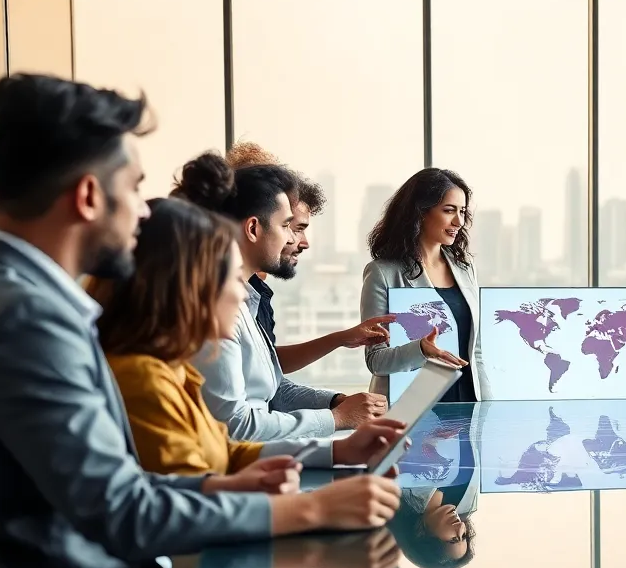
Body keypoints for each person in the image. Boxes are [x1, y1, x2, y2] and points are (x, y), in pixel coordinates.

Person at [0, 74, 400, 568]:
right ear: (88, 196)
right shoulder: (29, 319)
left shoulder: (3, 292)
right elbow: (123, 512)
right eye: (133, 188)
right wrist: (310, 509)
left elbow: (119, 486)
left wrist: (224, 485)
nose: (143, 210)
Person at [87, 197, 412, 483]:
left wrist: (339, 450)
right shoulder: (144, 379)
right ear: (189, 288)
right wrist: (314, 507)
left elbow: (227, 451)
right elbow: (193, 495)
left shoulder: (179, 373)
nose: (243, 294)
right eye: (232, 278)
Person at [174, 153, 387, 441]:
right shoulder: (216, 308)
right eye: (288, 226)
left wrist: (338, 408)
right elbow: (234, 427)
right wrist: (337, 418)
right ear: (253, 228)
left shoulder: (248, 301)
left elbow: (272, 389)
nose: (293, 240)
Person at [225, 141, 394, 374]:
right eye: (289, 226)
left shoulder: (255, 293)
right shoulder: (222, 301)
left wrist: (339, 341)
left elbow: (269, 370)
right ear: (253, 225)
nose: (301, 242)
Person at [362, 168, 485, 402]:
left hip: (467, 401)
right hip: (413, 404)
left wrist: (487, 408)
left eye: (462, 211)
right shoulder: (383, 273)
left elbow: (476, 350)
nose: (459, 221)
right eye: (449, 210)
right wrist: (420, 350)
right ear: (420, 212)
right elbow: (376, 359)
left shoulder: (465, 269)